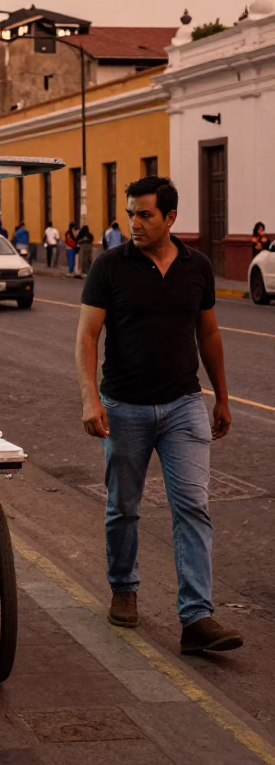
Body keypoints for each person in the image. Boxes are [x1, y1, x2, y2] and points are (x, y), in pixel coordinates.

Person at [75, 175, 242, 654]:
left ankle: (197, 618)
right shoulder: (110, 266)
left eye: (144, 214)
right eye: (130, 213)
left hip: (184, 404)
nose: (134, 223)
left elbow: (208, 334)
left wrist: (222, 396)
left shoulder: (198, 267)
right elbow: (87, 336)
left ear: (171, 218)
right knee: (123, 507)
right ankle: (124, 588)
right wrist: (91, 398)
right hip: (124, 405)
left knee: (193, 505)